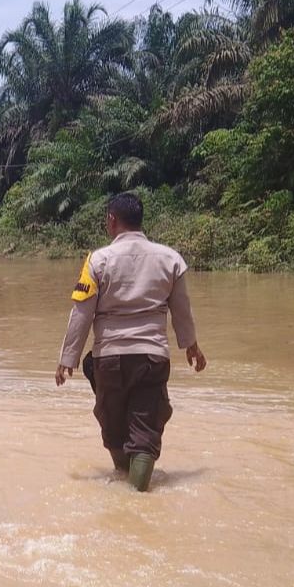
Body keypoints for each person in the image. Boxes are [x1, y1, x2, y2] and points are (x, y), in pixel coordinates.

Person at [54, 192, 207, 492]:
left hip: (109, 357)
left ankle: (126, 491)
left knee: (112, 425)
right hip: (152, 357)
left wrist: (67, 359)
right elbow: (181, 310)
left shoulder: (97, 260)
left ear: (112, 220)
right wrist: (191, 345)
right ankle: (136, 496)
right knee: (145, 429)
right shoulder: (171, 259)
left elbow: (81, 313)